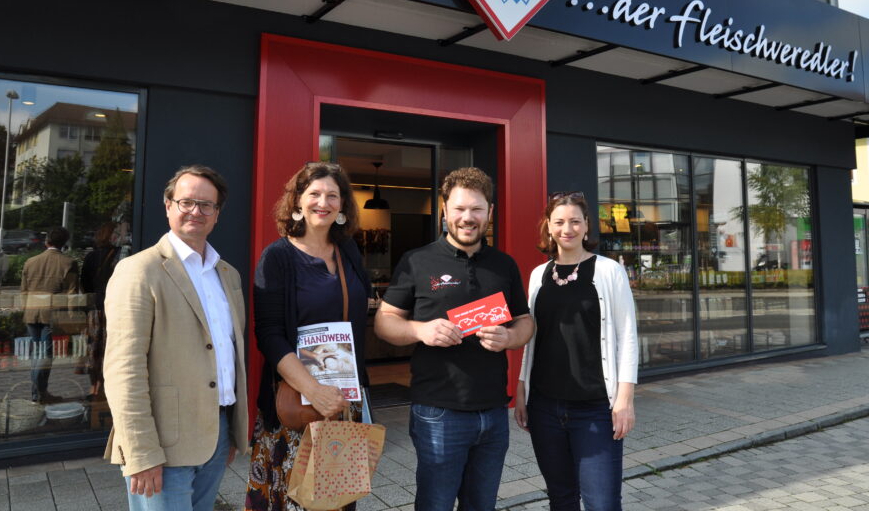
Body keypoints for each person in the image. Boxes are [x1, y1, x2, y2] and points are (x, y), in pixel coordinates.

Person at [375, 167, 534, 511]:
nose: (467, 218)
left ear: (490, 212)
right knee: (435, 505)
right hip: (438, 412)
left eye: (477, 209)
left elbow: (525, 323)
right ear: (445, 211)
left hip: (494, 412)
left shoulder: (504, 265)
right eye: (459, 208)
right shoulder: (417, 261)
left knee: (482, 505)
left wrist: (508, 337)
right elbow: (383, 322)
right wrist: (420, 330)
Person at [103, 165, 248, 511]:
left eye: (206, 205)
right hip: (162, 444)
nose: (196, 211)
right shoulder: (139, 270)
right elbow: (123, 370)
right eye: (187, 202)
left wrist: (231, 431)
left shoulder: (228, 275)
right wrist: (141, 451)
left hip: (217, 434)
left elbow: (228, 355)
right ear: (168, 205)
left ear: (217, 214)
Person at [245, 162, 372, 511]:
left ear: (343, 205)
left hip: (343, 401)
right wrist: (314, 390)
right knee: (291, 500)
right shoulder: (277, 257)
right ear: (298, 201)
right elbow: (268, 334)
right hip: (296, 404)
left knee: (337, 498)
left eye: (333, 195)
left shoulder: (348, 251)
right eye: (314, 194)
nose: (323, 202)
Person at [514, 192, 638, 511]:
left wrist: (624, 400)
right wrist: (522, 389)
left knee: (602, 503)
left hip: (595, 408)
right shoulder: (538, 275)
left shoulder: (608, 271)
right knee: (561, 498)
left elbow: (627, 336)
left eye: (574, 221)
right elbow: (533, 337)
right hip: (544, 406)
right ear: (548, 226)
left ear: (586, 226)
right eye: (559, 222)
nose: (566, 229)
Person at [21, 226, 79, 404]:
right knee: (45, 355)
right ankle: (39, 394)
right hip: (52, 313)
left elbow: (23, 291)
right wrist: (72, 316)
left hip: (31, 311)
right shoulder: (68, 263)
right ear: (64, 243)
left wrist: (25, 310)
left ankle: (38, 393)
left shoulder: (30, 261)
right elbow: (72, 293)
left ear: (47, 242)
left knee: (37, 353)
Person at [81, 222, 119, 392]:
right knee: (111, 346)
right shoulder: (118, 255)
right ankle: (106, 385)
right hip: (114, 306)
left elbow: (85, 284)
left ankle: (94, 384)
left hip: (95, 307)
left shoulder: (91, 257)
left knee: (94, 347)